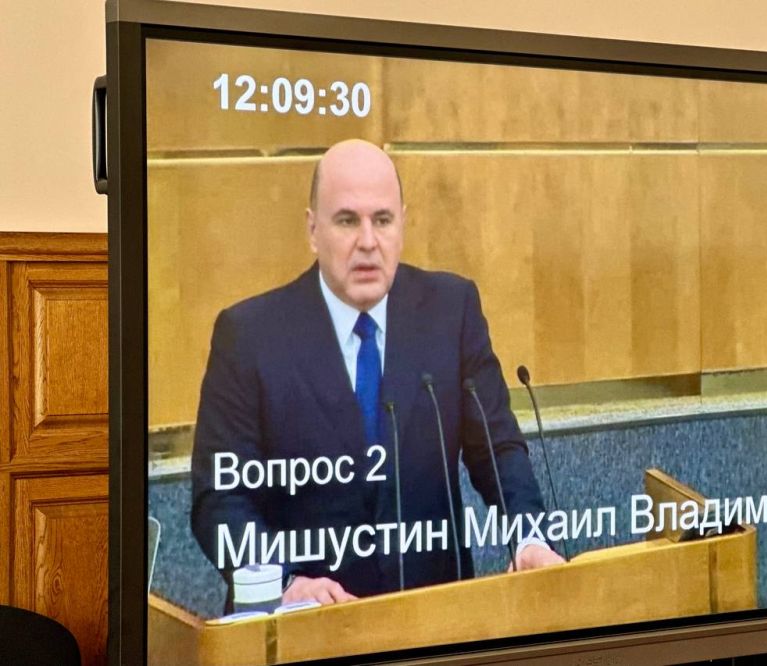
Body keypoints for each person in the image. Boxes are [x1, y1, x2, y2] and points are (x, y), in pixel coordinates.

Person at [190, 139, 563, 607]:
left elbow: (498, 449)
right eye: (347, 220)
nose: (367, 241)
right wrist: (283, 584)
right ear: (313, 230)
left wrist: (529, 538)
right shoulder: (249, 336)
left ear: (402, 225)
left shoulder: (451, 310)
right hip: (306, 624)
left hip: (434, 617)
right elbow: (220, 499)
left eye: (382, 220)